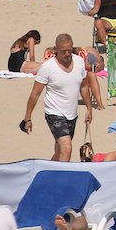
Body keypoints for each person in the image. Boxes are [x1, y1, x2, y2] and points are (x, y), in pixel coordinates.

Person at [22, 33, 99, 162]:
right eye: (63, 51)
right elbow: (35, 94)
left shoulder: (79, 62)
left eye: (69, 50)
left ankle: (49, 171)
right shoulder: (47, 67)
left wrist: (89, 109)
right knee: (67, 148)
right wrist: (27, 118)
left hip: (72, 115)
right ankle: (63, 175)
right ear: (56, 50)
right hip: (54, 113)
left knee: (59, 152)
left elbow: (84, 86)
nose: (67, 54)